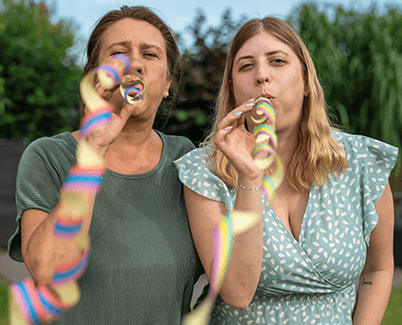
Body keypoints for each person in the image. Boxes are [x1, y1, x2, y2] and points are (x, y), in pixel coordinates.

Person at [174, 16, 398, 324]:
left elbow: (379, 269)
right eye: (245, 66)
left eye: (277, 61)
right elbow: (237, 292)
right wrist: (250, 177)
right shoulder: (204, 172)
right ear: (233, 88)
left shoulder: (361, 162)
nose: (262, 76)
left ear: (306, 81)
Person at [8, 6, 202, 324]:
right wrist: (92, 153)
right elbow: (47, 271)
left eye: (150, 55)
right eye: (119, 53)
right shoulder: (47, 156)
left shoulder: (186, 160)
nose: (135, 63)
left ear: (168, 83)